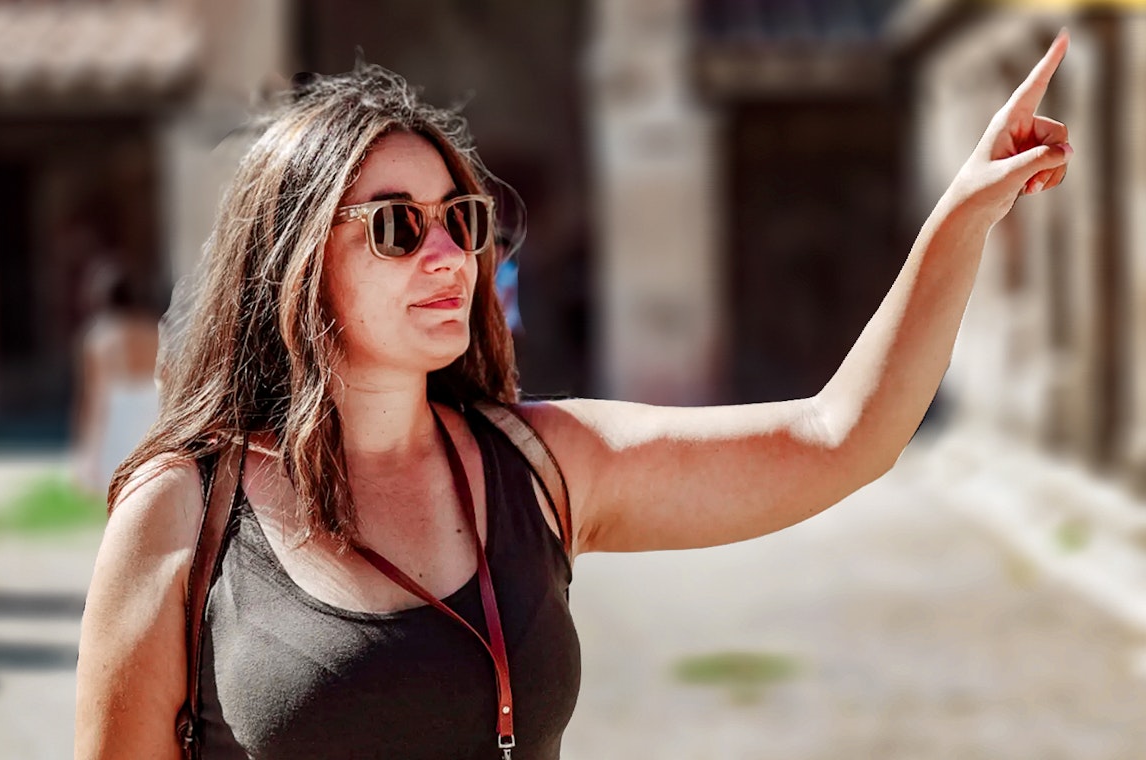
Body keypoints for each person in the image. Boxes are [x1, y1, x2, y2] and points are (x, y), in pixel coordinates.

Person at [75, 30, 1074, 759]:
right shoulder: (184, 512)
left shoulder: (537, 468)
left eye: (460, 219)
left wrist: (960, 217)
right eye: (394, 227)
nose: (446, 254)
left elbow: (837, 438)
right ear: (294, 265)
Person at [71, 261, 161, 497]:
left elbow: (95, 394)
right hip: (152, 402)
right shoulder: (152, 329)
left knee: (119, 492)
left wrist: (89, 449)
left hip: (119, 411)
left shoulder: (100, 338)